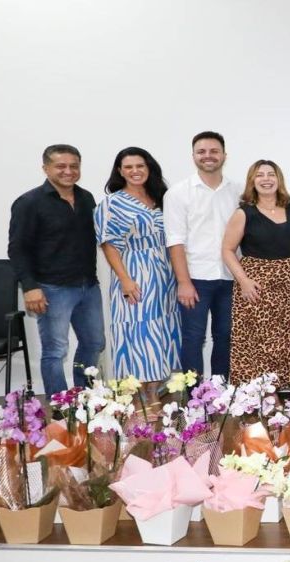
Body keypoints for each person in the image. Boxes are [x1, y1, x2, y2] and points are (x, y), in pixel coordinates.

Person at [8, 144, 105, 394]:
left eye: (74, 166)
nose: (68, 171)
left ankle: (83, 399)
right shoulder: (29, 202)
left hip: (88, 287)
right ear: (46, 168)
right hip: (52, 289)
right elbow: (17, 249)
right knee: (55, 351)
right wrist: (30, 287)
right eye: (60, 166)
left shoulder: (86, 198)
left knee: (94, 344)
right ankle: (61, 409)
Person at [96, 147, 181, 405]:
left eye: (140, 166)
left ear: (149, 167)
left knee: (162, 329)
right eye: (129, 167)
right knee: (139, 331)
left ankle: (161, 384)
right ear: (120, 171)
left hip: (165, 274)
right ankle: (145, 393)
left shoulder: (162, 198)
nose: (135, 171)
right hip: (135, 271)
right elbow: (108, 244)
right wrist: (124, 278)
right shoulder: (112, 203)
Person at [221, 160, 290, 393]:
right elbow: (227, 250)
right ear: (252, 181)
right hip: (256, 285)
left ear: (279, 179)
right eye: (260, 175)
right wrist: (244, 281)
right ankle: (259, 396)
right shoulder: (244, 213)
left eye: (271, 174)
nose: (266, 179)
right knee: (258, 343)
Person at [164, 131, 240, 380]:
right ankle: (195, 396)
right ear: (194, 156)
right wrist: (183, 282)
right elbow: (175, 241)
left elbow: (275, 202)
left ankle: (219, 391)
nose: (208, 156)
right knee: (194, 338)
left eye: (214, 151)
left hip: (230, 277)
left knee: (226, 336)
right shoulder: (178, 193)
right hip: (195, 278)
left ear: (224, 156)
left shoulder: (239, 192)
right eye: (202, 151)